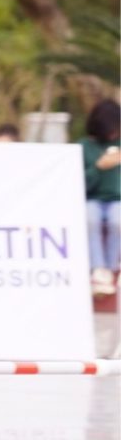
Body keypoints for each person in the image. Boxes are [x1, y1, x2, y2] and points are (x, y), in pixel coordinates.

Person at [80, 100, 121, 296]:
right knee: (90, 219)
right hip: (92, 198)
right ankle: (98, 268)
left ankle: (111, 268)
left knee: (118, 221)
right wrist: (98, 168)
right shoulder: (85, 146)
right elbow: (78, 183)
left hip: (117, 200)